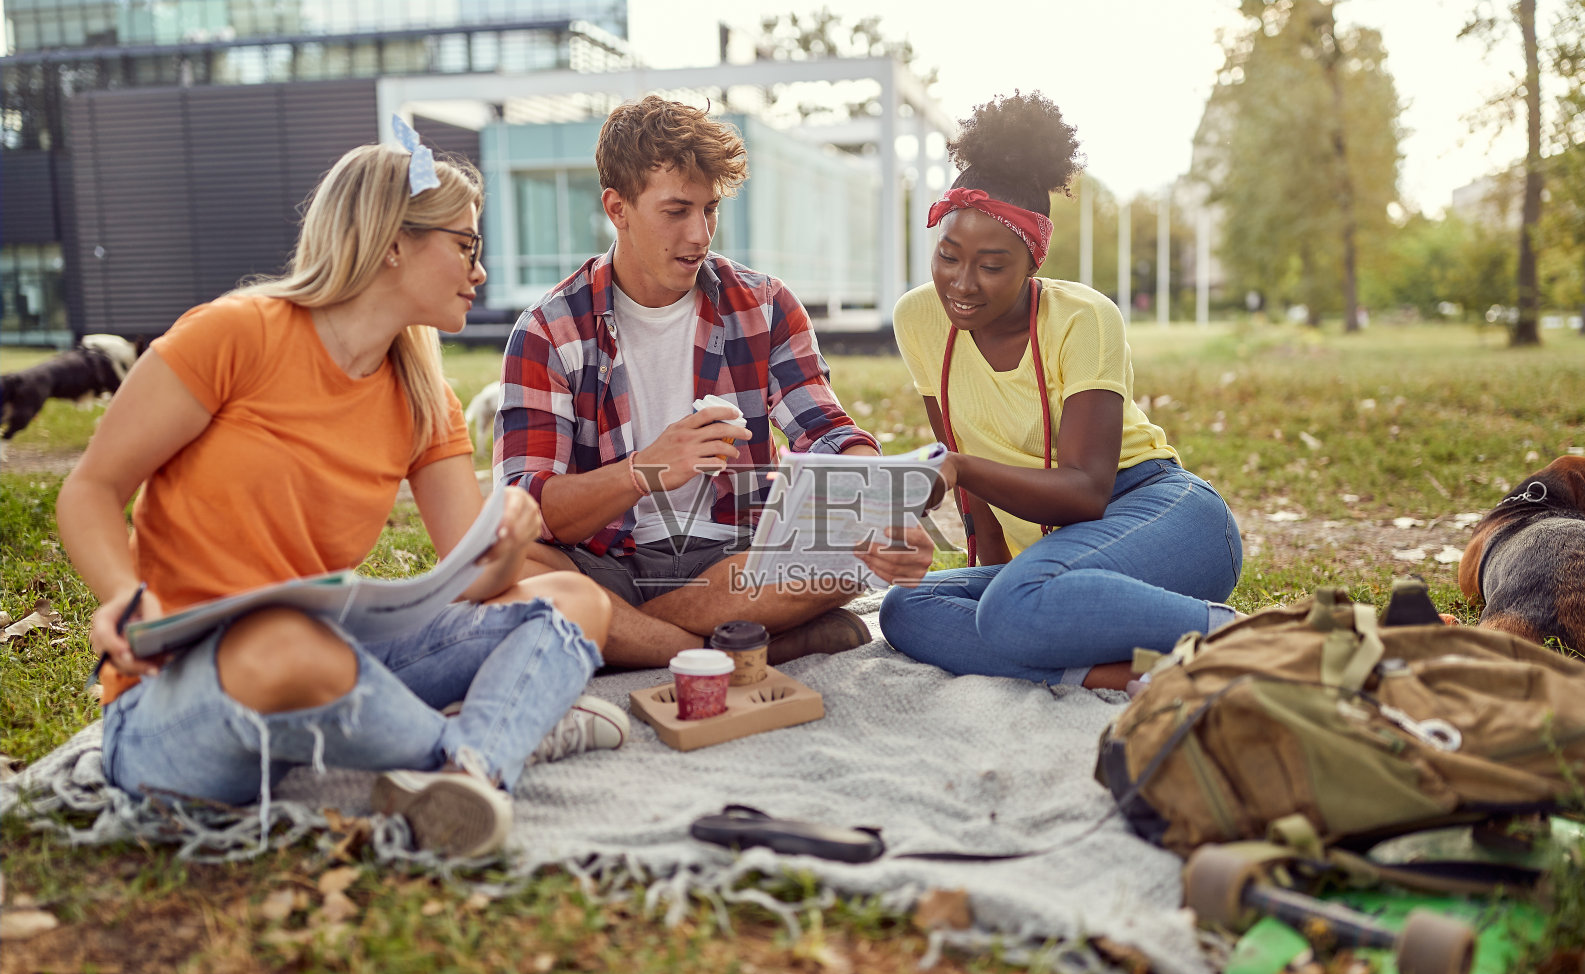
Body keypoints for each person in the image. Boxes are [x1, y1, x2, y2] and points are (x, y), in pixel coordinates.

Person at [57, 125, 620, 859]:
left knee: (579, 601)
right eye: (466, 246)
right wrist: (122, 595)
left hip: (330, 663)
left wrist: (509, 548)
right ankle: (498, 738)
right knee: (287, 644)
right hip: (175, 704)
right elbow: (90, 489)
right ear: (392, 243)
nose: (478, 272)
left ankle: (468, 771)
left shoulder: (426, 397)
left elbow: (476, 578)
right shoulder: (235, 335)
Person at [496, 95, 934, 668]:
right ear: (617, 207)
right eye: (676, 211)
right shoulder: (548, 331)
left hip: (735, 564)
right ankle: (740, 648)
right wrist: (645, 470)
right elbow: (531, 505)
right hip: (605, 564)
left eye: (710, 210)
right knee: (504, 559)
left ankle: (625, 640)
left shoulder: (766, 305)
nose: (700, 235)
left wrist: (880, 506)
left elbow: (825, 430)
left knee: (845, 549)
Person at [879, 92, 1242, 690]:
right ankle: (1111, 671)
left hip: (1159, 515)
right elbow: (976, 501)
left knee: (1014, 606)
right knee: (906, 607)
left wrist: (961, 469)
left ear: (1031, 264)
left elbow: (1085, 492)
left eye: (992, 266)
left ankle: (1257, 632)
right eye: (948, 256)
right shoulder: (919, 318)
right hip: (1057, 563)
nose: (962, 284)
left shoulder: (1082, 318)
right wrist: (996, 567)